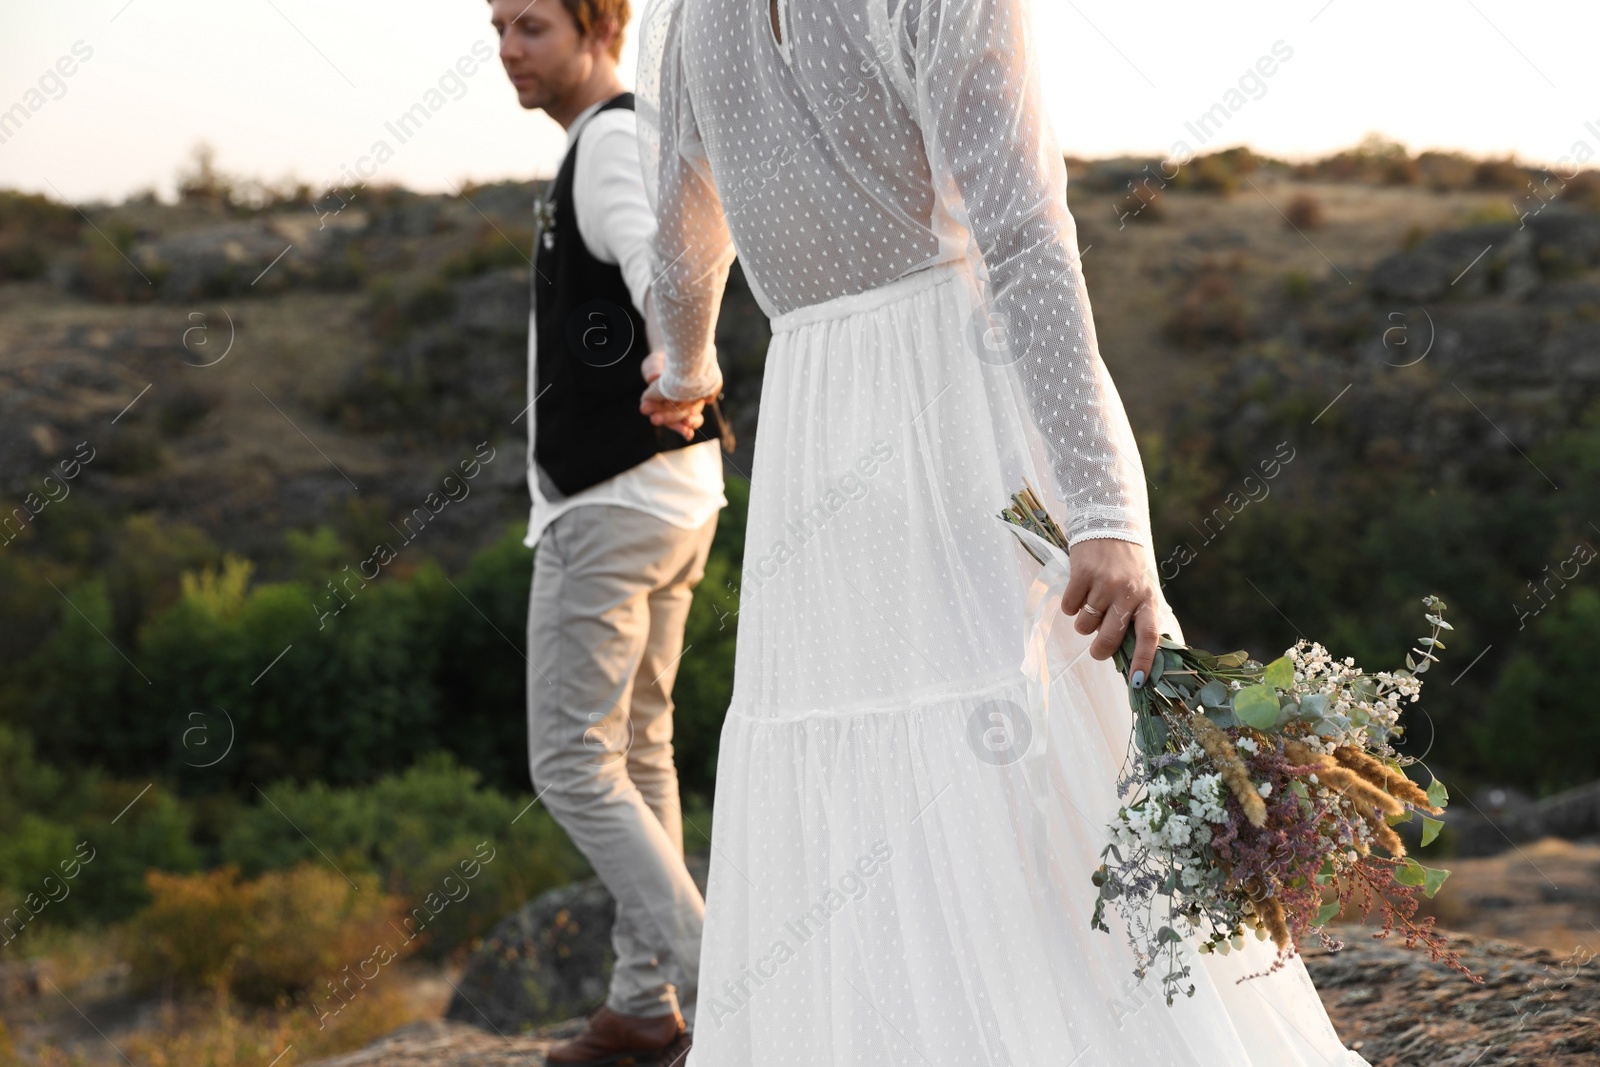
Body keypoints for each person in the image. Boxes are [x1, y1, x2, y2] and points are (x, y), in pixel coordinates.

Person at [634, 0, 1372, 1063]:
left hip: (813, 421)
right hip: (956, 393)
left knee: (870, 746)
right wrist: (1107, 511)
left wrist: (685, 367)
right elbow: (1025, 236)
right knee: (1021, 730)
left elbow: (680, 224)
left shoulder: (695, 16)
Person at [490, 1, 730, 1063]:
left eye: (532, 25)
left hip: (616, 502)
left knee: (569, 763)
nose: (508, 50)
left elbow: (653, 258)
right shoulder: (614, 139)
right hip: (673, 494)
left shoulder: (611, 143)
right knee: (637, 750)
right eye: (496, 27)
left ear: (598, 29)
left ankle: (733, 991)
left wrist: (678, 364)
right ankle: (643, 1007)